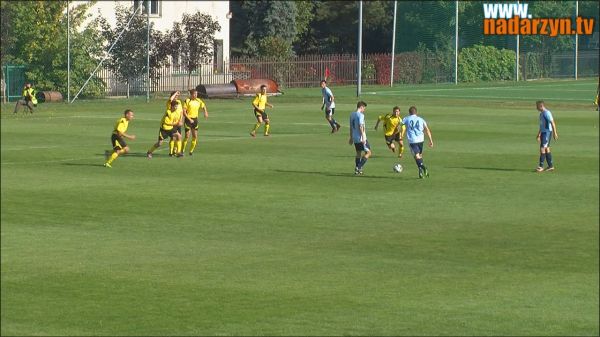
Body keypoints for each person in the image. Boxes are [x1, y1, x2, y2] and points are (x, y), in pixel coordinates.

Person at [402, 106, 433, 179]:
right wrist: (431, 140)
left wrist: (399, 134)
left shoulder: (406, 118)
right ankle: (420, 171)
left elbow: (400, 125)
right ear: (416, 112)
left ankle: (423, 167)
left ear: (409, 113)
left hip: (412, 141)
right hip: (421, 140)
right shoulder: (421, 119)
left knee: (416, 156)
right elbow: (427, 130)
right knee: (419, 156)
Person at [182, 89, 208, 156]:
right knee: (187, 136)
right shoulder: (187, 101)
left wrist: (205, 112)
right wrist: (189, 119)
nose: (196, 95)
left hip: (195, 120)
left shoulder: (198, 100)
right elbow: (184, 112)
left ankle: (191, 151)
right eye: (195, 94)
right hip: (188, 120)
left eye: (196, 94)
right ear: (191, 94)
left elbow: (203, 106)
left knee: (195, 136)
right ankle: (182, 151)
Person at [535, 100, 558, 172]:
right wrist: (539, 134)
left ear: (541, 106)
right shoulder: (541, 114)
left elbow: (553, 123)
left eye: (537, 106)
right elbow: (541, 126)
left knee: (542, 149)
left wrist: (555, 133)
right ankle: (550, 166)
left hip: (547, 133)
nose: (536, 108)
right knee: (546, 148)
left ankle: (541, 166)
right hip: (543, 133)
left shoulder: (547, 113)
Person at [349, 101, 371, 175]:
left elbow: (351, 127)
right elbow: (361, 126)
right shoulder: (361, 115)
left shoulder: (352, 114)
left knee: (358, 153)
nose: (364, 110)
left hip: (355, 137)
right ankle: (359, 166)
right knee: (368, 153)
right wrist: (363, 137)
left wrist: (351, 137)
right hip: (361, 137)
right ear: (361, 107)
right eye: (364, 108)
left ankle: (357, 170)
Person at [167, 91, 184, 156]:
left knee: (178, 137)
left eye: (177, 96)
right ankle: (172, 152)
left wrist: (180, 120)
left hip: (178, 123)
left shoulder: (179, 102)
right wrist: (175, 93)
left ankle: (175, 151)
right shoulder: (170, 103)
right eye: (175, 96)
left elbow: (181, 112)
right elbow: (171, 99)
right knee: (173, 137)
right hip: (172, 123)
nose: (176, 97)